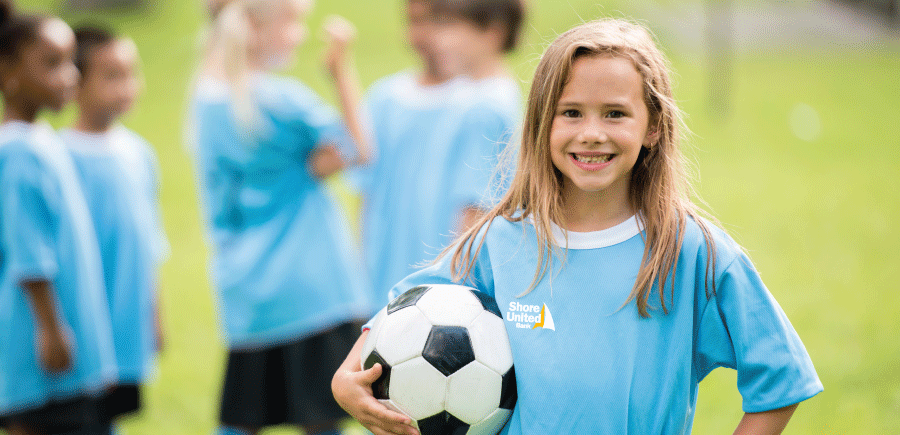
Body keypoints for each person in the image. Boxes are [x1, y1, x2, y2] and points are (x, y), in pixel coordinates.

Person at [333, 18, 823, 435]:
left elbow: (779, 378)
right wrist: (345, 381)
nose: (591, 133)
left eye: (615, 114)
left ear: (653, 126)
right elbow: (410, 305)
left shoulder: (690, 251)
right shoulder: (501, 240)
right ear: (543, 124)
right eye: (571, 113)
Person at [189, 0, 372, 434]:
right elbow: (357, 150)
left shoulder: (205, 102)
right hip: (313, 292)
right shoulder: (283, 100)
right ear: (253, 26)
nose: (298, 34)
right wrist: (339, 70)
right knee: (322, 420)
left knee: (241, 419)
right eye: (293, 23)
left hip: (248, 296)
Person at [358, 0, 525, 312]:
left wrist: (446, 300)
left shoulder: (487, 109)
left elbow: (472, 218)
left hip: (435, 299)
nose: (438, 39)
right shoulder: (475, 98)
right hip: (416, 290)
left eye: (449, 26)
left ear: (492, 33)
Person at [0, 1, 117, 434]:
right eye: (51, 64)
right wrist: (50, 328)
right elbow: (28, 250)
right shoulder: (16, 152)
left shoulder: (40, 140)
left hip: (69, 350)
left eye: (70, 62)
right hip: (42, 358)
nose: (68, 75)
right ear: (7, 71)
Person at [60, 24, 169, 429]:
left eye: (130, 73)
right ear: (76, 82)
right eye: (111, 76)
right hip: (78, 331)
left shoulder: (139, 153)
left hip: (126, 326)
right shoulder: (61, 157)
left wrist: (155, 315)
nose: (126, 86)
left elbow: (149, 245)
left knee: (111, 414)